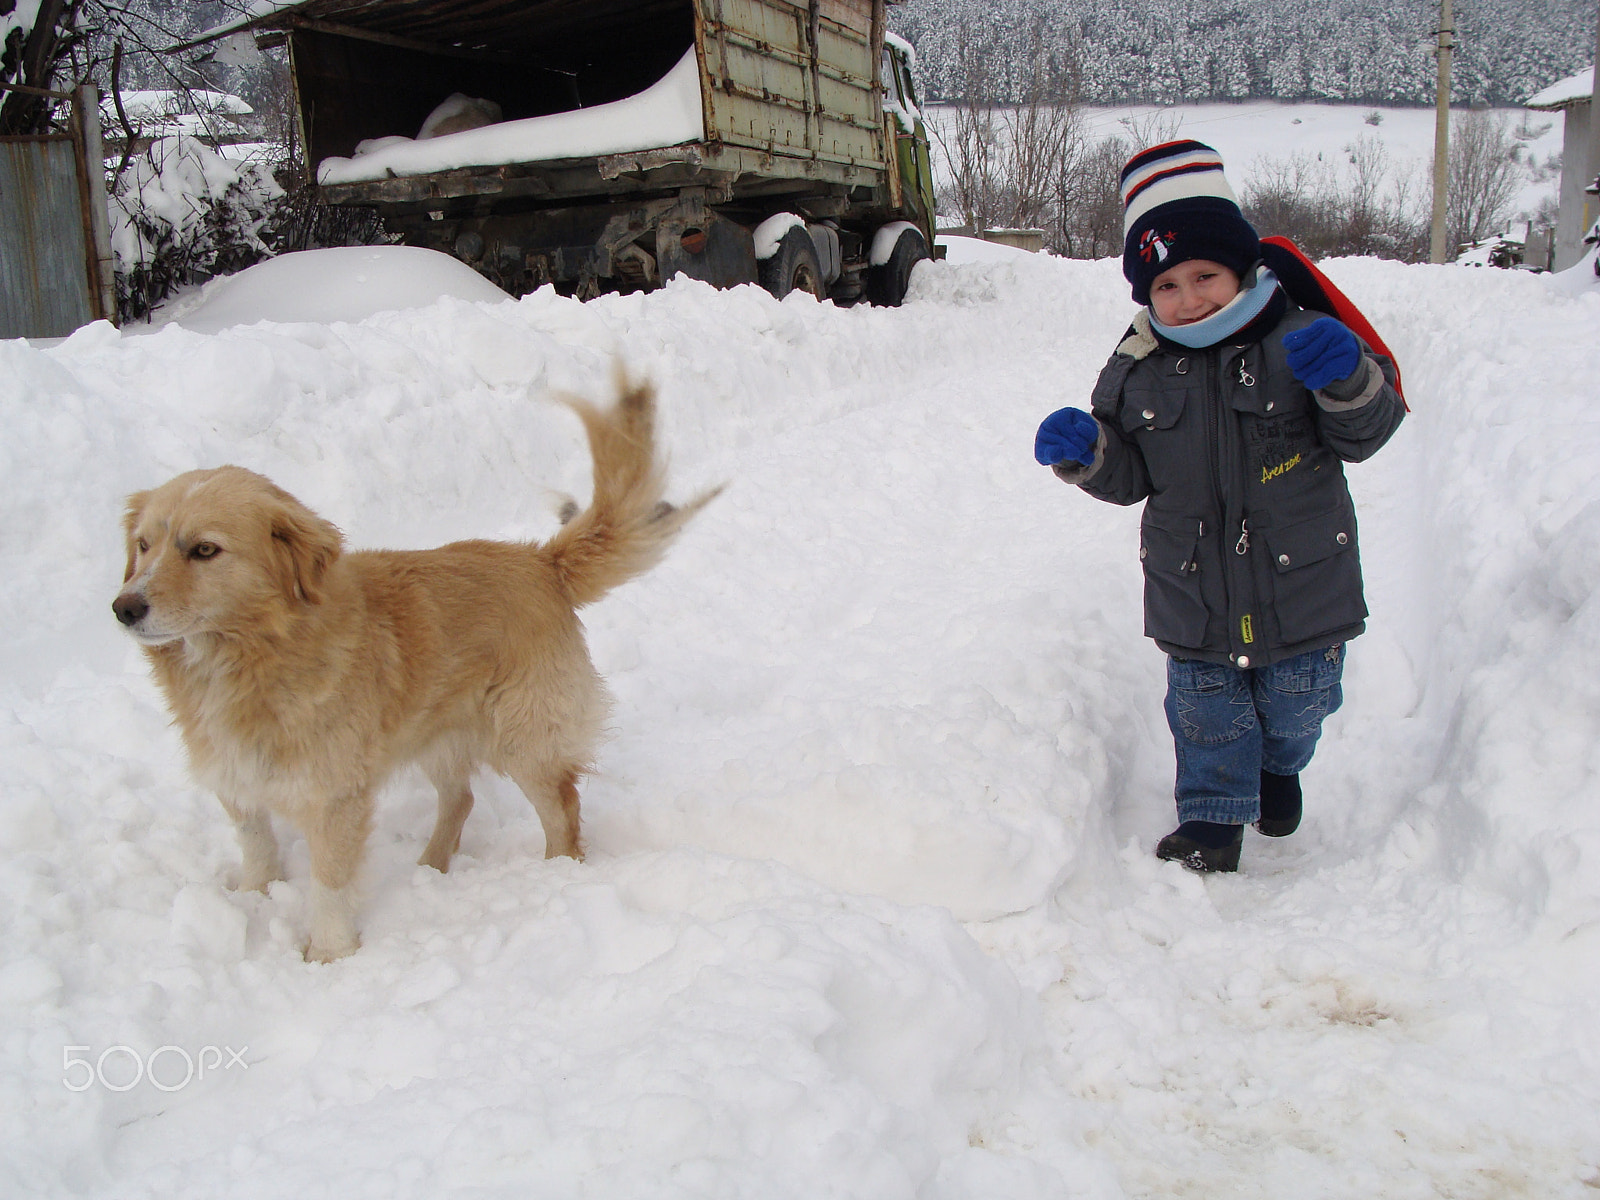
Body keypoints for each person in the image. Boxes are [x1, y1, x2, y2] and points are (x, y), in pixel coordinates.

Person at [1034, 140, 1406, 872]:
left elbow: (1365, 435)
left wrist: (1347, 381)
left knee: (1297, 708)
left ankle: (1278, 767)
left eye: (1205, 274)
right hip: (1191, 585)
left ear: (1242, 267)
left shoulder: (1300, 336)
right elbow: (1130, 470)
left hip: (1301, 585)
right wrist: (1089, 454)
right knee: (1205, 714)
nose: (1188, 297)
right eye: (1166, 285)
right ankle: (1211, 817)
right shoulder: (1137, 365)